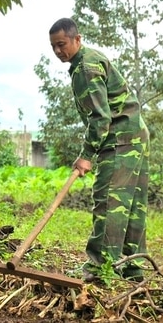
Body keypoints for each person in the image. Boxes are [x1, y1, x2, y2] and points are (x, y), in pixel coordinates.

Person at [48, 17, 150, 283]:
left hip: (119, 140)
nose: (59, 51)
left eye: (62, 44)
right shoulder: (91, 59)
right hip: (136, 135)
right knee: (132, 206)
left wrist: (86, 156)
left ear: (76, 39)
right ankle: (132, 268)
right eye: (54, 47)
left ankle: (99, 271)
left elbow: (100, 119)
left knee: (110, 203)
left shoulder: (85, 67)